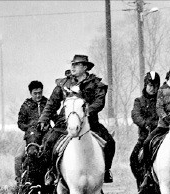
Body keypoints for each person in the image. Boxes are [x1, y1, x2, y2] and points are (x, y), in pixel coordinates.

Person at [38, 54, 115, 183]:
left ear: (85, 67)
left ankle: (105, 171)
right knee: (49, 142)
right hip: (64, 123)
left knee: (110, 142)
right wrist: (43, 118)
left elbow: (99, 103)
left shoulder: (96, 84)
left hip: (90, 123)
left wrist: (85, 112)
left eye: (77, 64)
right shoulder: (63, 84)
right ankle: (51, 172)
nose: (73, 67)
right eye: (72, 64)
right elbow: (52, 103)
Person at [14, 80, 49, 183]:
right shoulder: (26, 106)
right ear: (30, 93)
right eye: (35, 93)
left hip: (46, 136)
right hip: (30, 137)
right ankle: (20, 181)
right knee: (18, 157)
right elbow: (20, 123)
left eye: (40, 93)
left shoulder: (47, 104)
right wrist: (30, 127)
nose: (38, 96)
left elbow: (55, 118)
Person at [130, 71, 160, 187]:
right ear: (145, 85)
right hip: (144, 137)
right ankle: (142, 180)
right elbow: (135, 115)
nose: (153, 88)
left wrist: (157, 124)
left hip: (161, 134)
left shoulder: (162, 100)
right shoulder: (139, 101)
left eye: (156, 86)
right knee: (133, 159)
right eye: (150, 85)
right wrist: (145, 124)